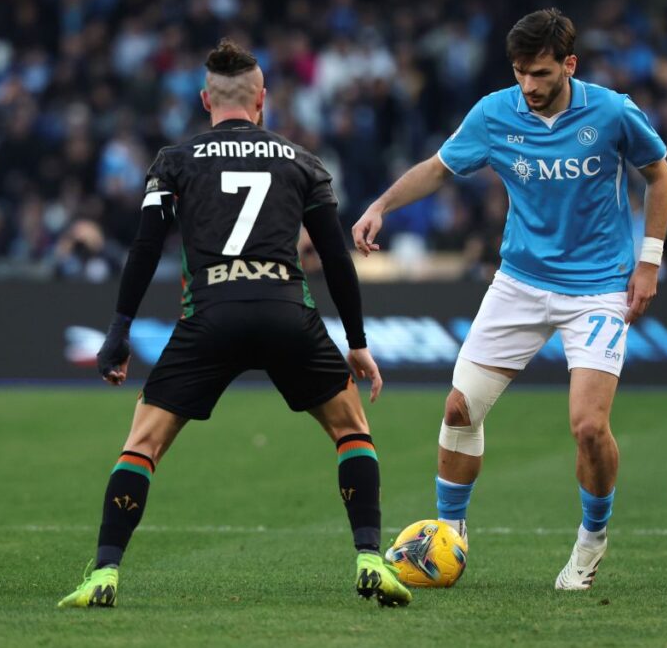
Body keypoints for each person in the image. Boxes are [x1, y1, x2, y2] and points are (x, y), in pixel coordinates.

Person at [58, 39, 411, 608]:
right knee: (351, 430)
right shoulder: (302, 161)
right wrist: (359, 342)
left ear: (205, 99)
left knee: (142, 445)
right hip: (285, 311)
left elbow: (145, 249)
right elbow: (338, 259)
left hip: (210, 315)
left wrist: (119, 331)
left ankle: (104, 573)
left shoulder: (174, 161)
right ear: (261, 99)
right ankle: (370, 557)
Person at [352, 9, 667, 590]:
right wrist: (380, 206)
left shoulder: (612, 111)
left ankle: (591, 541)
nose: (528, 86)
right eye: (520, 72)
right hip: (519, 284)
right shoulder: (494, 113)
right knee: (458, 410)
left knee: (588, 429)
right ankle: (450, 538)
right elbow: (437, 169)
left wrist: (648, 261)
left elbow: (660, 175)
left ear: (569, 65)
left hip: (598, 289)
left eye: (541, 73)